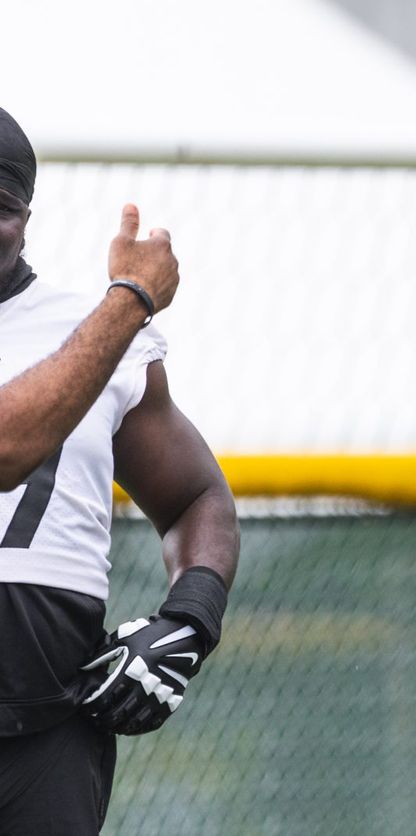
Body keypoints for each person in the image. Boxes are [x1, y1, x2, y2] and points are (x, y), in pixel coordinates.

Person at [0, 106, 240, 836]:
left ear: (28, 216)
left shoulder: (95, 334)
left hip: (49, 731)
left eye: (0, 208)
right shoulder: (107, 325)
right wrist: (128, 302)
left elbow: (198, 496)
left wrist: (188, 620)